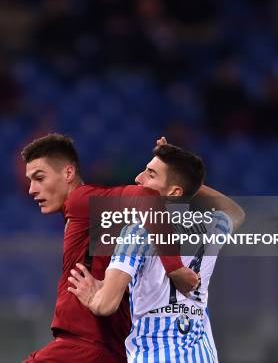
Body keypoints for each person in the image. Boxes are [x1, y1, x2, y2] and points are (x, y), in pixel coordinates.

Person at [21, 133, 199, 363]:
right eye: (30, 180)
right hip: (108, 348)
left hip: (84, 346)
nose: (31, 189)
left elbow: (148, 197)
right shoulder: (103, 218)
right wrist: (181, 169)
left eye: (39, 178)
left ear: (68, 173)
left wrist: (174, 268)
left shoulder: (81, 200)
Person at [68, 137, 245, 362]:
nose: (138, 179)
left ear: (174, 192)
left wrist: (93, 298)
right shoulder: (209, 227)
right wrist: (190, 181)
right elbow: (236, 212)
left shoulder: (138, 232)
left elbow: (106, 305)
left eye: (150, 174)